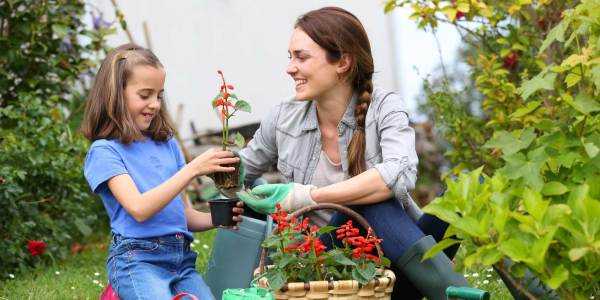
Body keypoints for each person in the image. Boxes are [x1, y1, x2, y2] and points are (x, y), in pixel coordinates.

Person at [234, 7, 468, 299]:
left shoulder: (385, 106)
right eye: (290, 56)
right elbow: (239, 173)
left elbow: (398, 175)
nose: (290, 67)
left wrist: (306, 197)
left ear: (342, 62)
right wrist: (218, 172)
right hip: (326, 268)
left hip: (392, 257)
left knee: (469, 192)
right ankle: (455, 293)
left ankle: (534, 292)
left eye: (301, 57)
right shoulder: (284, 117)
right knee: (367, 204)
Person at [81, 43, 243, 300]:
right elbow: (139, 209)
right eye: (145, 95)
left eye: (159, 95)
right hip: (138, 261)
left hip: (182, 261)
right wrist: (192, 170)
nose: (155, 104)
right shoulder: (105, 151)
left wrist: (219, 218)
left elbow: (185, 215)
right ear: (115, 95)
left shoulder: (166, 144)